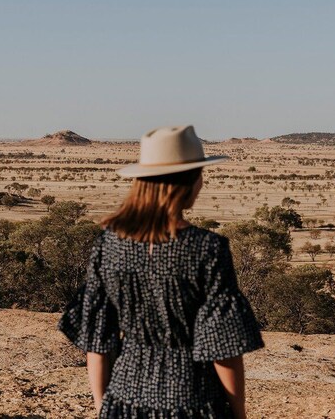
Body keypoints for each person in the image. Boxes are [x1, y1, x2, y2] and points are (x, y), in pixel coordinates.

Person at [59, 125, 263, 418]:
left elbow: (97, 340)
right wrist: (239, 412)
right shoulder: (208, 248)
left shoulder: (109, 243)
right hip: (194, 399)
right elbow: (223, 348)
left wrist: (102, 405)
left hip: (126, 395)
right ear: (190, 181)